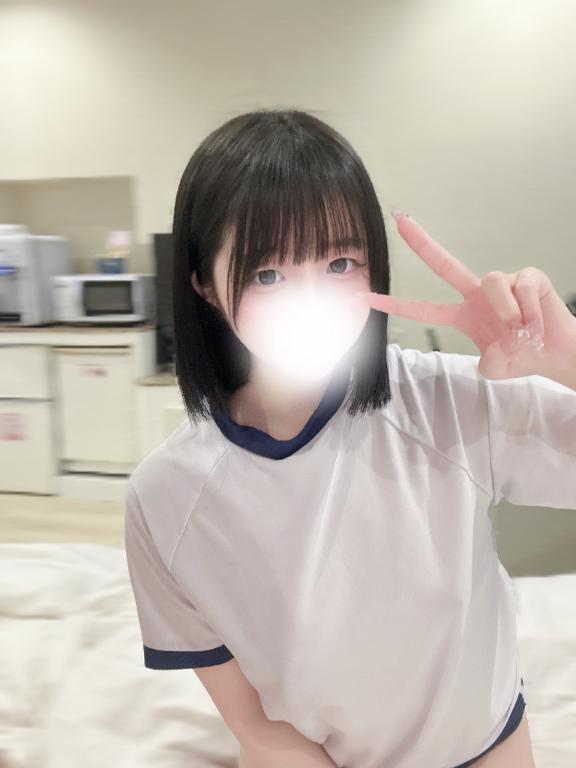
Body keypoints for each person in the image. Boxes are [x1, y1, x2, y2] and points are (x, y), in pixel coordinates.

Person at [124, 109, 574, 767]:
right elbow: (256, 726)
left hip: (485, 745)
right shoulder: (166, 498)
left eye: (340, 262)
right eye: (268, 274)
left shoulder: (450, 403)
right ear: (204, 285)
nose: (311, 299)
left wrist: (568, 358)